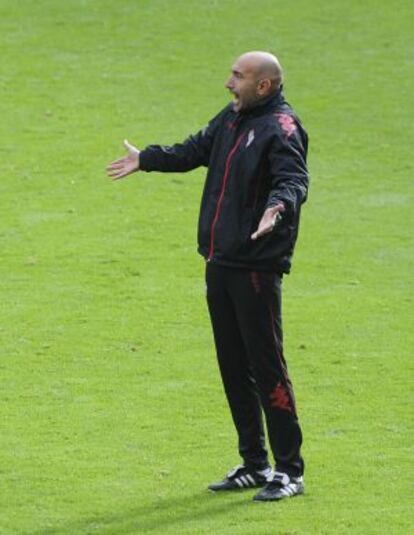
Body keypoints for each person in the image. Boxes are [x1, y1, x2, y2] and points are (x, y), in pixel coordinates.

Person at [107, 51, 309, 502]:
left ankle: (290, 470)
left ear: (265, 86)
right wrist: (149, 159)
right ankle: (254, 464)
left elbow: (293, 180)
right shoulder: (235, 117)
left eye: (238, 76)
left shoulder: (282, 128)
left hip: (255, 267)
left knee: (267, 365)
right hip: (220, 261)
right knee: (234, 367)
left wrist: (278, 208)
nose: (227, 83)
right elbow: (197, 148)